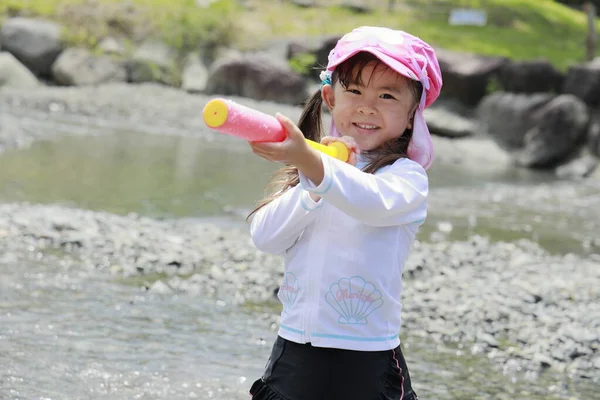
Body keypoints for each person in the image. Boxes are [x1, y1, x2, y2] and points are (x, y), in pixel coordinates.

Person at [246, 25, 442, 400]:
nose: (367, 106)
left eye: (387, 95)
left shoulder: (406, 178)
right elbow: (265, 236)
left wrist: (312, 163)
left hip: (365, 360)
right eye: (354, 91)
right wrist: (310, 180)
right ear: (329, 97)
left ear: (412, 114)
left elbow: (368, 203)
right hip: (294, 352)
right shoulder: (315, 170)